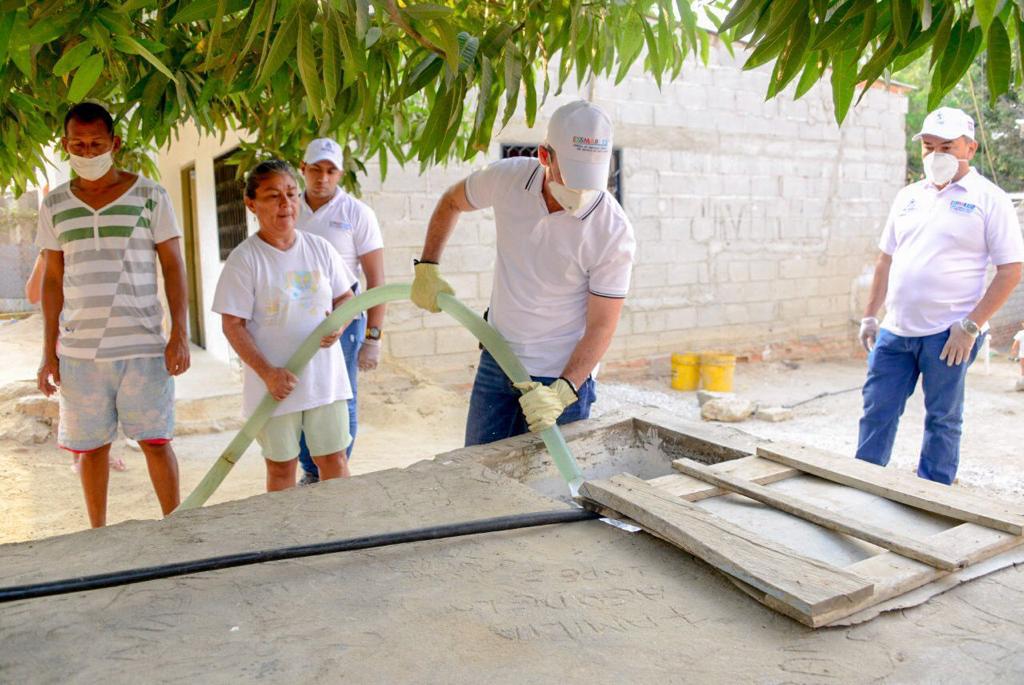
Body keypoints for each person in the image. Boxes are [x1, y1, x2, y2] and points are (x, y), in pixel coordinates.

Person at [411, 100, 635, 445]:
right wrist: (427, 266)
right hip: (498, 361)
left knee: (552, 492)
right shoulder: (508, 178)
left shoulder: (612, 229)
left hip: (562, 380)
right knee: (478, 475)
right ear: (546, 156)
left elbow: (603, 325)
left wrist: (564, 390)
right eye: (570, 177)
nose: (580, 191)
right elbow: (452, 201)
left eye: (589, 180)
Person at [35, 102, 189, 527]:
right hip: (80, 352)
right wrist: (48, 352)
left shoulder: (150, 195)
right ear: (65, 145)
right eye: (78, 145)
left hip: (141, 346)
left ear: (114, 144)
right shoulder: (55, 206)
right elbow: (52, 279)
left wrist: (180, 333)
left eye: (96, 144)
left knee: (156, 442)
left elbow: (174, 265)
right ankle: (98, 535)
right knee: (91, 447)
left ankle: (176, 529)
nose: (87, 153)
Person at [857, 107, 1024, 485]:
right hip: (895, 331)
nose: (936, 156)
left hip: (949, 335)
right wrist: (871, 316)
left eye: (947, 147)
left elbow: (1012, 270)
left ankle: (933, 495)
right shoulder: (908, 196)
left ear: (971, 147)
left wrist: (970, 326)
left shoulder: (989, 199)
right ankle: (861, 485)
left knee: (943, 418)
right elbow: (886, 260)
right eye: (929, 147)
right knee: (877, 410)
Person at [212, 160, 357, 491]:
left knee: (334, 461)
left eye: (291, 194)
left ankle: (346, 534)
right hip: (273, 385)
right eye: (273, 196)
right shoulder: (245, 259)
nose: (286, 204)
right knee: (281, 468)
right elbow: (232, 325)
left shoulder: (319, 248)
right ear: (251, 203)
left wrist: (339, 322)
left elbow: (346, 298)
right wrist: (268, 374)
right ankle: (287, 539)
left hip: (323, 379)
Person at [294, 138, 385, 485]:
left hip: (344, 322)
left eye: (331, 170)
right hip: (297, 320)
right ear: (303, 169)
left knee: (340, 396)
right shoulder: (290, 208)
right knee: (303, 396)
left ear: (340, 174)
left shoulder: (356, 213)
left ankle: (335, 471)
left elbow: (376, 280)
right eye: (316, 169)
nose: (322, 177)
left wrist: (373, 337)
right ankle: (310, 471)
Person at [26, 252, 129, 474]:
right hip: (68, 335)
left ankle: (103, 453)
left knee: (106, 398)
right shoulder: (49, 253)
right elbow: (33, 294)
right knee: (78, 398)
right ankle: (78, 457)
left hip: (102, 331)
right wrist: (45, 259)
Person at [1010, 322, 1024, 391]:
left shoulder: (1021, 333)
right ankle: (1022, 382)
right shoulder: (1021, 333)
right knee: (1022, 368)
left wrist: (1013, 350)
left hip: (1022, 354)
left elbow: (1015, 343)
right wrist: (1013, 350)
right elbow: (1016, 343)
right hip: (1022, 354)